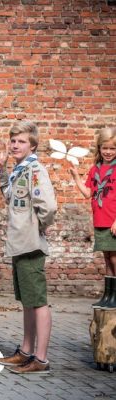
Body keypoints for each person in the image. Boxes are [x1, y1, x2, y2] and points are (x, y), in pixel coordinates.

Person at [0, 120, 57, 374]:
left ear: (32, 144)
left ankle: (40, 358)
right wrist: (1, 169)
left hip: (30, 244)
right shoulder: (19, 170)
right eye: (13, 141)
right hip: (19, 244)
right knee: (27, 302)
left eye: (21, 141)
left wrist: (40, 227)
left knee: (38, 301)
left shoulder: (34, 170)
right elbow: (9, 195)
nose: (14, 145)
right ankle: (25, 350)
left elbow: (49, 207)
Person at [69, 127, 116, 310]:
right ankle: (109, 296)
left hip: (113, 222)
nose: (108, 152)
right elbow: (88, 193)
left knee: (114, 259)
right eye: (105, 148)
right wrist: (76, 177)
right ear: (99, 148)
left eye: (113, 148)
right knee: (107, 259)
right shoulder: (95, 169)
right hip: (100, 220)